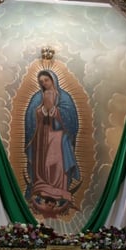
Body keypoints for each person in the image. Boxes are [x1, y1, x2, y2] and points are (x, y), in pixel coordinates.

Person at [24, 69, 80, 218]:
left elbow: (71, 117)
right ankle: (42, 186)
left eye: (46, 80)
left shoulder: (64, 97)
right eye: (41, 82)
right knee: (42, 162)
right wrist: (41, 110)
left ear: (53, 80)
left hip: (59, 135)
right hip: (41, 135)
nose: (44, 83)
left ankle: (59, 190)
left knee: (56, 162)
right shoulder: (38, 96)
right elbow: (30, 115)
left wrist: (55, 111)